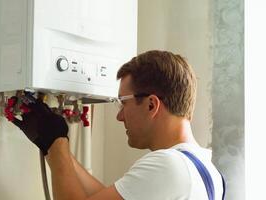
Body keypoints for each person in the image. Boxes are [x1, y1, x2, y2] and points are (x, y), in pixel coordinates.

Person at [11, 50, 225, 200]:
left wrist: (56, 145)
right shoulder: (208, 173)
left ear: (151, 105)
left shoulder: (168, 166)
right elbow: (115, 194)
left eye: (123, 103)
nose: (120, 116)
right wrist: (58, 147)